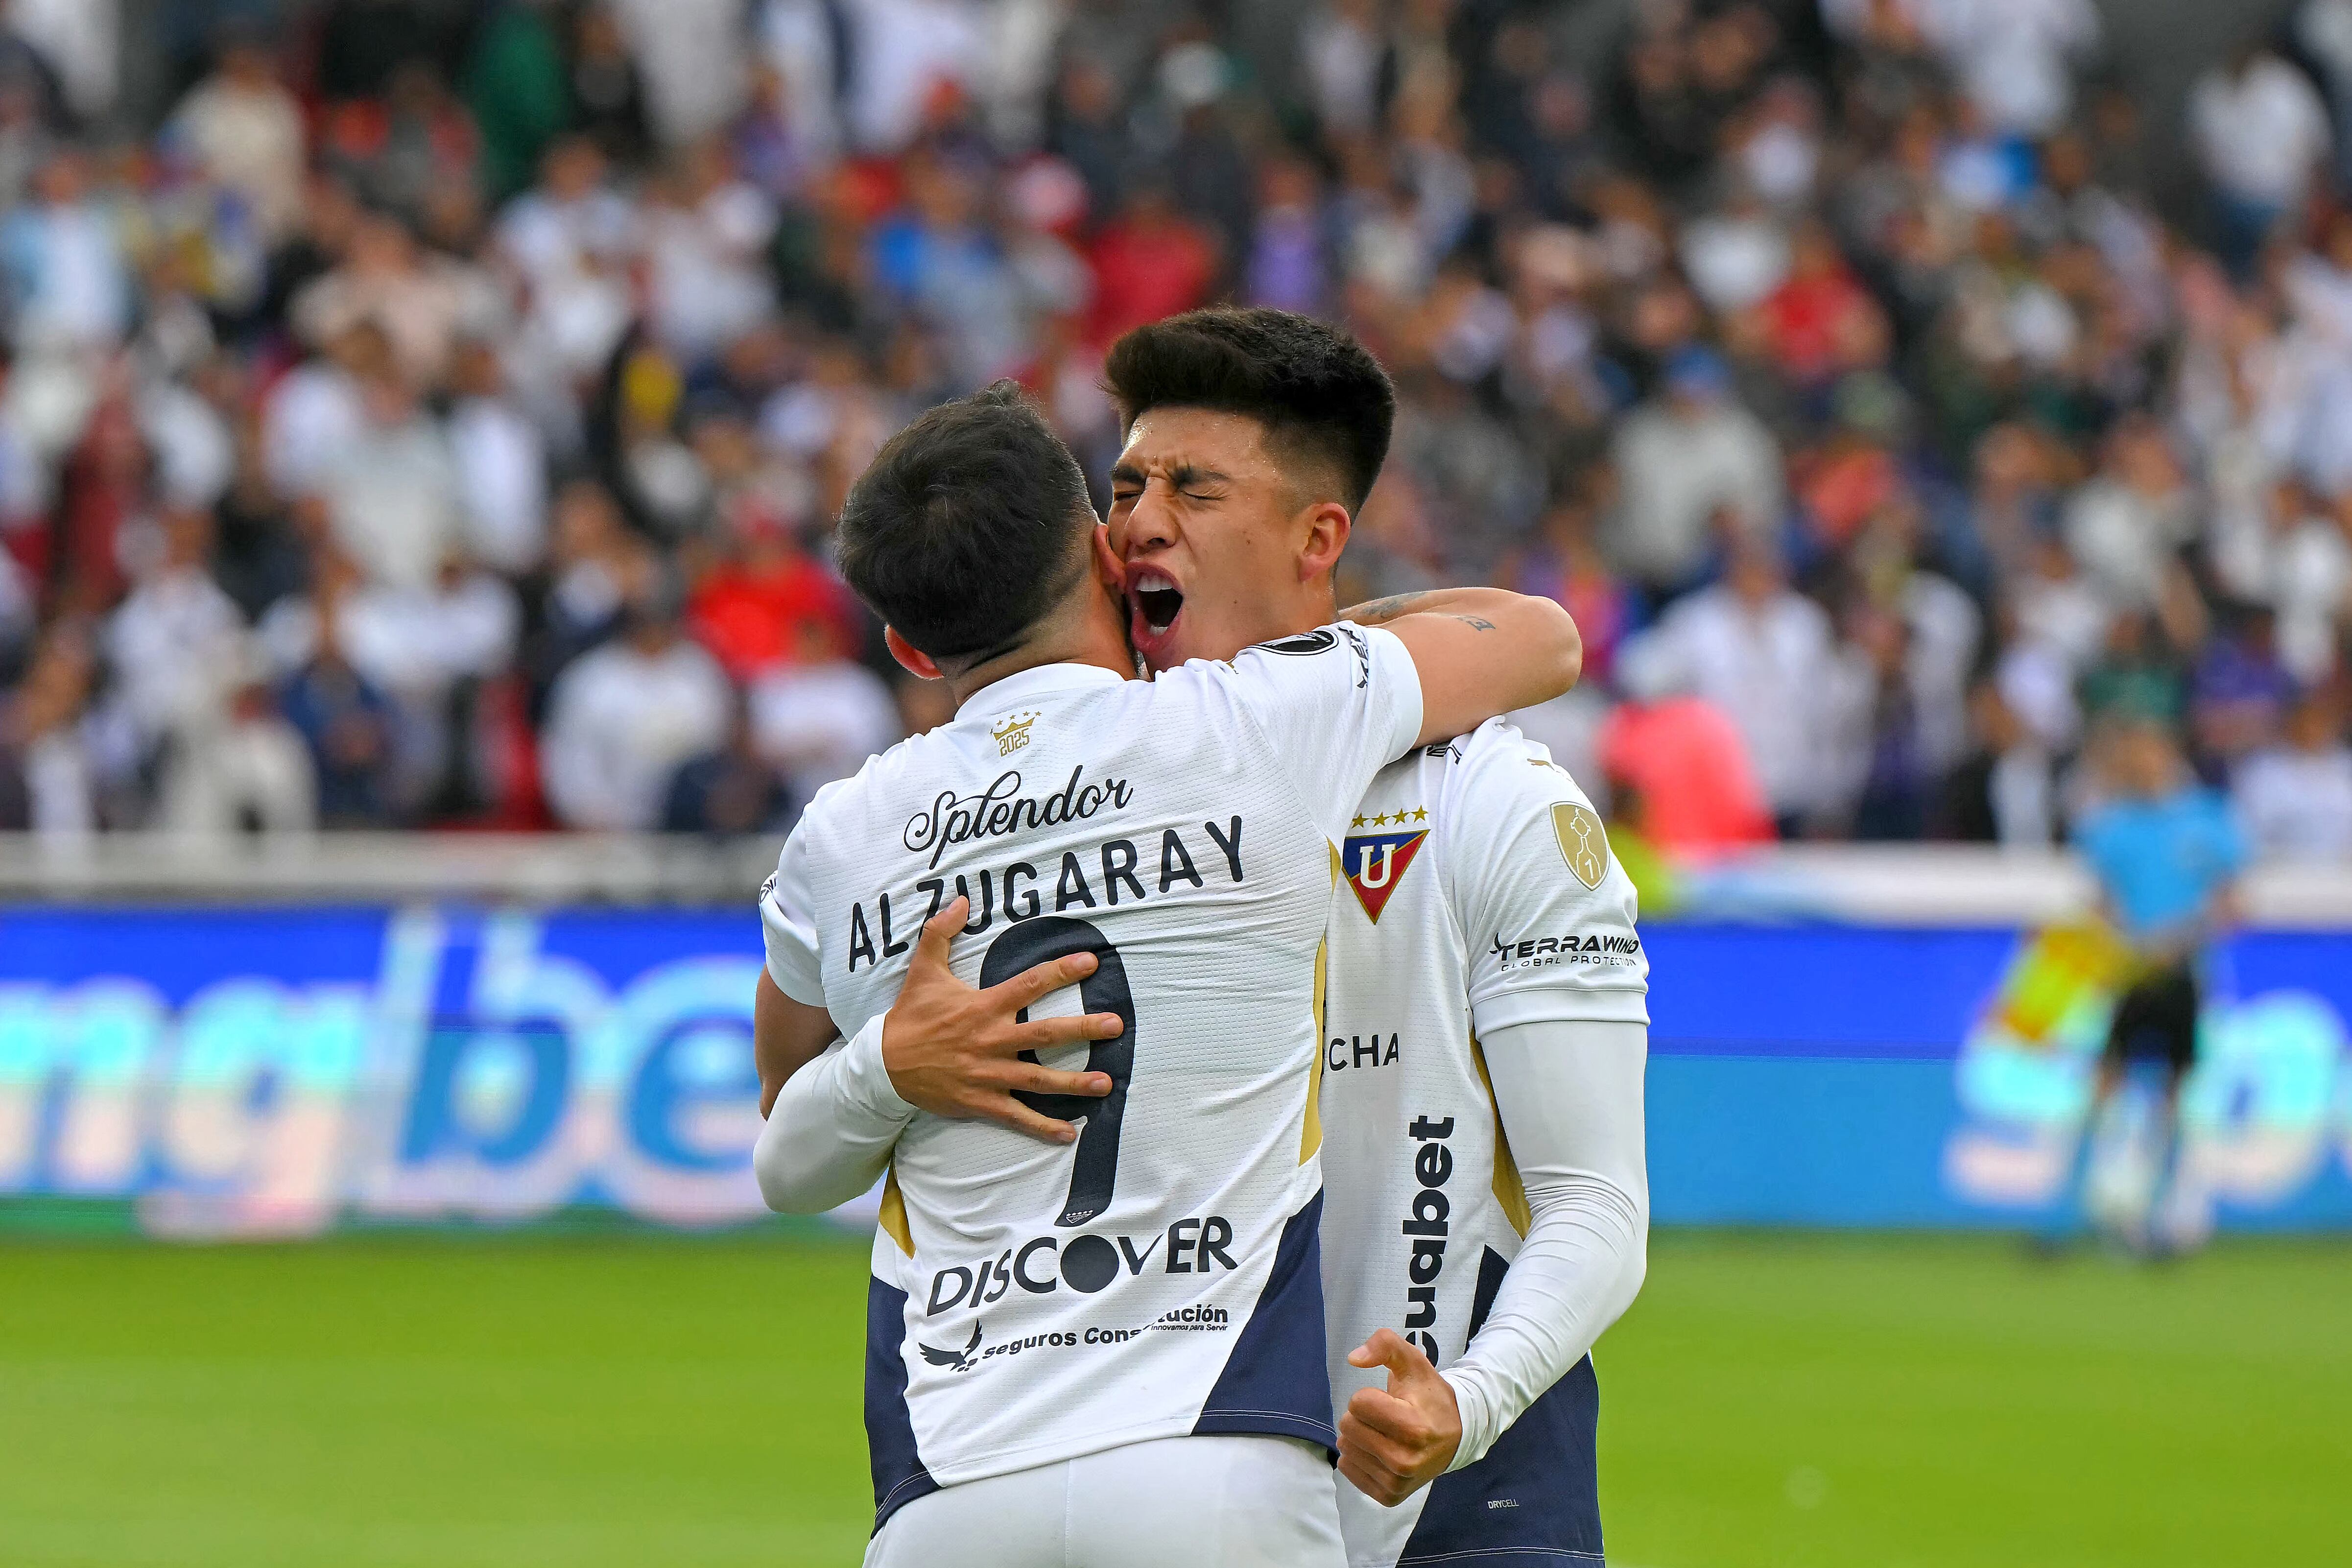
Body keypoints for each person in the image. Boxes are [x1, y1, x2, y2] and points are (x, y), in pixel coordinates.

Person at [767, 311, 1645, 1566]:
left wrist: (1471, 1396)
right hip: (1203, 1470)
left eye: (1192, 487)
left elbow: (1594, 1199)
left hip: (1463, 1493)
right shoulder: (1073, 799)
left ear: (1318, 537)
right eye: (1123, 487)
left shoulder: (1489, 796)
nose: (1140, 522)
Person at [2047, 718, 2249, 1255]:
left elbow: (2232, 904)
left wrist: (2177, 939)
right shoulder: (2110, 826)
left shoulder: (2208, 819)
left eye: (2150, 753)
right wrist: (2121, 944)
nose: (2141, 763)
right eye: (2131, 754)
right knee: (2106, 1081)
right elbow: (2101, 900)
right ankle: (2088, 1205)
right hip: (2130, 973)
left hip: (2183, 973)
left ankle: (2173, 1206)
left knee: (2177, 1091)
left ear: (2169, 756)